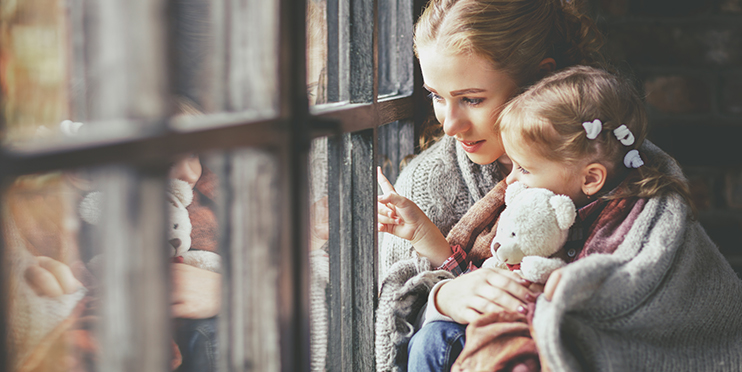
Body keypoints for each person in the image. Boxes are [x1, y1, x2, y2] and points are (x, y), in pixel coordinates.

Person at [380, 66, 742, 371]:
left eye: (523, 168)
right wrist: (427, 242)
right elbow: (492, 281)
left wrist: (557, 296)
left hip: (568, 344)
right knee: (433, 337)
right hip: (515, 323)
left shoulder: (631, 222)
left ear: (591, 178)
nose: (512, 180)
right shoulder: (532, 206)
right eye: (436, 95)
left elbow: (640, 297)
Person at [375, 0, 602, 370]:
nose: (449, 125)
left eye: (472, 99)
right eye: (436, 96)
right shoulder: (422, 184)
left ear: (537, 81)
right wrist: (442, 298)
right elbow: (390, 327)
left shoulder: (612, 160)